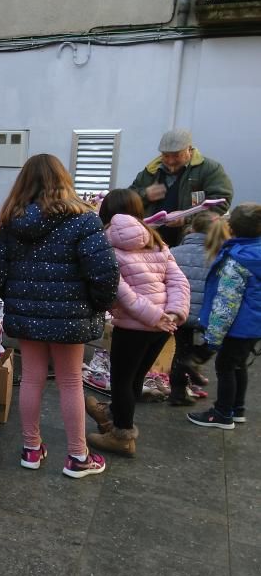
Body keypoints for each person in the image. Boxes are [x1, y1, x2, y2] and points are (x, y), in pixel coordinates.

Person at [0, 153, 119, 478]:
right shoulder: (84, 219)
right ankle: (78, 456)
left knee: (33, 378)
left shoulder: (11, 222)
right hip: (71, 315)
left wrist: (13, 297)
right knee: (69, 381)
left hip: (27, 313)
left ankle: (31, 449)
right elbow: (105, 273)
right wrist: (99, 304)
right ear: (63, 180)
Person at [85, 189, 189, 457]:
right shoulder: (156, 240)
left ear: (105, 212)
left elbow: (122, 292)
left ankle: (122, 434)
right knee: (135, 377)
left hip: (134, 326)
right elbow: (178, 280)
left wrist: (155, 316)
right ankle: (112, 414)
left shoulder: (105, 243)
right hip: (162, 327)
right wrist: (174, 313)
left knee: (121, 381)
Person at [183, 203, 261, 429]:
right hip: (253, 326)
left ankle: (222, 413)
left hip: (236, 327)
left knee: (225, 367)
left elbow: (226, 303)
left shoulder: (237, 260)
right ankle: (237, 409)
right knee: (239, 365)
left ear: (232, 229)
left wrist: (212, 340)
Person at [129, 128, 233, 247]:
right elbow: (127, 198)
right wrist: (145, 194)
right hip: (152, 241)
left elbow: (221, 200)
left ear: (189, 149)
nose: (171, 161)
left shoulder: (209, 169)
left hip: (189, 240)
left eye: (176, 155)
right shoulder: (151, 170)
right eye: (166, 156)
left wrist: (186, 218)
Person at [166, 211, 224, 405]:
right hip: (206, 315)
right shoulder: (219, 255)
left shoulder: (173, 252)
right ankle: (195, 361)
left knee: (180, 350)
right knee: (211, 345)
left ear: (191, 229)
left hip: (179, 311)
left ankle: (177, 393)